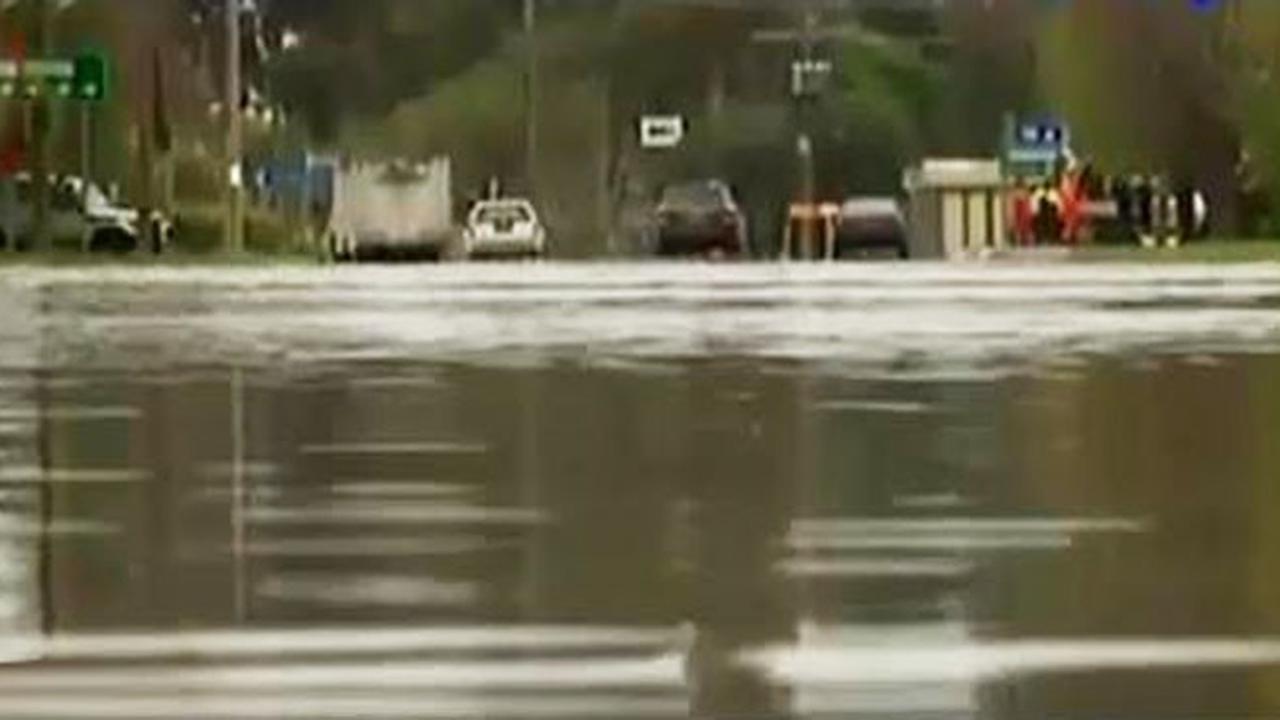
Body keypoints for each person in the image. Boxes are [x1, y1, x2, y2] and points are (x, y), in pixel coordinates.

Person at [1011, 179, 1034, 247]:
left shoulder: (1021, 194)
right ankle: (1022, 241)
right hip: (1022, 213)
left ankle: (1023, 241)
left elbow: (1027, 204)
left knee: (1022, 227)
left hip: (1023, 213)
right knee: (1021, 227)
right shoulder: (1022, 194)